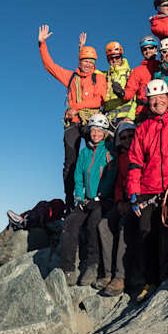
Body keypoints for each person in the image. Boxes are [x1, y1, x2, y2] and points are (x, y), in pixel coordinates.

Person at [126, 79, 168, 302]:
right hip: (148, 186)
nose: (157, 102)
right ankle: (151, 280)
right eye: (153, 100)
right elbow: (135, 161)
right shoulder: (143, 128)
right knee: (146, 233)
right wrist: (134, 192)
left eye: (161, 98)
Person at [38, 24, 107, 210]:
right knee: (70, 163)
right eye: (85, 60)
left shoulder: (99, 77)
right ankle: (71, 202)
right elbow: (50, 66)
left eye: (91, 62)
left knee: (97, 157)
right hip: (73, 124)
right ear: (80, 60)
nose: (88, 64)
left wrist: (75, 107)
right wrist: (42, 44)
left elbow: (99, 99)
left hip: (91, 123)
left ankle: (98, 197)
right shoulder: (70, 77)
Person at [59, 113, 116, 286]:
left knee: (93, 223)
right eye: (93, 130)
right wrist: (78, 197)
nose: (95, 134)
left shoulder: (109, 152)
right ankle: (67, 269)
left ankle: (92, 265)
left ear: (105, 132)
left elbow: (110, 176)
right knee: (70, 223)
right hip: (86, 199)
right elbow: (78, 176)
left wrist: (99, 196)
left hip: (103, 199)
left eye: (99, 131)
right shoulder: (84, 153)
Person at [96, 119, 137, 297]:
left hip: (138, 199)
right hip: (124, 199)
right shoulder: (120, 158)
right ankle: (108, 273)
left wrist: (131, 202)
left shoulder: (141, 152)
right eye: (123, 137)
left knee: (123, 226)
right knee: (103, 225)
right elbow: (120, 183)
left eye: (130, 135)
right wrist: (120, 201)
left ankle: (120, 277)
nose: (127, 139)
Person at [124, 35, 161, 120]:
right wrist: (122, 93)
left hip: (161, 108)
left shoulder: (163, 67)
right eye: (144, 49)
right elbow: (130, 91)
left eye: (150, 48)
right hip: (143, 112)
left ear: (156, 49)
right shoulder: (137, 71)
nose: (148, 51)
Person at [101, 41, 136, 126]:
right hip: (108, 119)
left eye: (117, 57)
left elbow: (135, 99)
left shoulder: (131, 73)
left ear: (121, 57)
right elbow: (88, 71)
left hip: (125, 117)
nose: (114, 60)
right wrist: (82, 51)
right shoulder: (105, 76)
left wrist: (130, 118)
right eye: (111, 58)